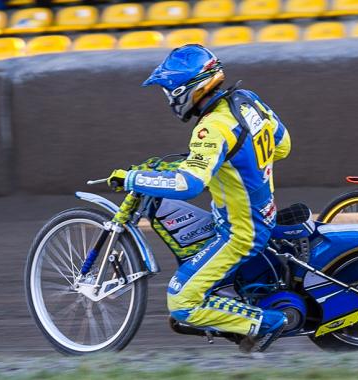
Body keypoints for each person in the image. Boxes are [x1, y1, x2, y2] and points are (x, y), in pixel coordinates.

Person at [106, 45, 292, 353]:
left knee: (181, 301)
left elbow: (189, 184)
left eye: (170, 91)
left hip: (240, 232)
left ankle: (265, 322)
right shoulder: (248, 101)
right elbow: (283, 146)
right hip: (262, 210)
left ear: (189, 88)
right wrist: (233, 164)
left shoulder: (212, 127)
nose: (169, 99)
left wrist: (131, 178)